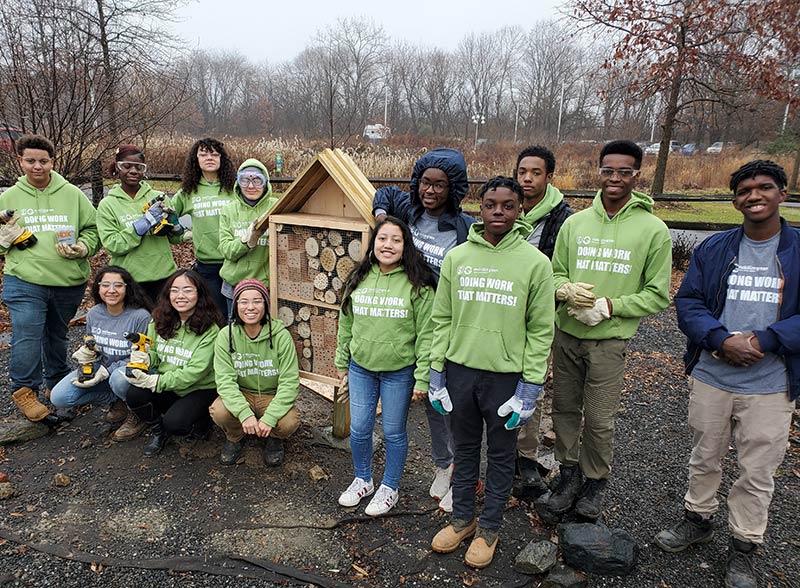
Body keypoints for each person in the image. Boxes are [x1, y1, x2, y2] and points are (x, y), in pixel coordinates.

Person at [655, 160, 799, 588]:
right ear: (735, 200)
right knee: (704, 455)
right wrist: (720, 339)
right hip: (713, 376)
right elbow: (689, 303)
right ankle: (697, 519)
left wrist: (766, 340)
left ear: (782, 193)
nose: (754, 196)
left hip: (771, 384)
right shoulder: (716, 248)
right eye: (744, 191)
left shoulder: (797, 250)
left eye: (764, 187)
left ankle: (744, 545)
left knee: (758, 469)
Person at [428, 177, 554, 568]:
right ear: (479, 208)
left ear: (519, 210)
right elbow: (442, 318)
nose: (498, 212)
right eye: (490, 205)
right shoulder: (457, 258)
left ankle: (490, 528)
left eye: (508, 205)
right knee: (464, 450)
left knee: (500, 455)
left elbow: (540, 330)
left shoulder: (535, 264)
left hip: (505, 378)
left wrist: (530, 387)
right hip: (460, 373)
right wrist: (436, 372)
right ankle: (463, 518)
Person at [548, 140, 672, 519]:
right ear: (599, 171)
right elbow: (555, 273)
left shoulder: (653, 230)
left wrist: (610, 307)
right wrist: (564, 290)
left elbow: (657, 294)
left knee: (600, 419)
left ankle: (594, 481)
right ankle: (568, 474)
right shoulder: (575, 224)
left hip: (609, 341)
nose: (614, 178)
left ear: (637, 174)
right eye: (608, 171)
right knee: (564, 410)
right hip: (567, 335)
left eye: (624, 172)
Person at [372, 147, 474, 512]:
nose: (430, 191)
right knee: (431, 402)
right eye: (425, 182)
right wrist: (381, 218)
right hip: (411, 323)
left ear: (454, 188)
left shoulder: (464, 228)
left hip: (446, 327)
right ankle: (443, 465)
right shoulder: (409, 211)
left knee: (450, 401)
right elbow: (385, 193)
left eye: (440, 185)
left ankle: (464, 473)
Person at [334, 217, 436, 517]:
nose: (388, 245)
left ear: (406, 246)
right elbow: (345, 323)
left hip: (399, 371)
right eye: (382, 239)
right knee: (360, 428)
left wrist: (422, 378)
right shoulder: (359, 278)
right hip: (360, 368)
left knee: (393, 432)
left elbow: (427, 335)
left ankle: (390, 487)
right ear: (373, 243)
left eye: (396, 240)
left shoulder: (418, 286)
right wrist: (341, 361)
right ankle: (363, 479)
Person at [0, 134, 99, 425]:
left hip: (67, 280)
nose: (37, 166)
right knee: (27, 333)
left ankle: (55, 382)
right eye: (30, 161)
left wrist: (83, 247)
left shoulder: (72, 194)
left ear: (52, 162)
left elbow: (93, 229)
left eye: (43, 161)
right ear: (20, 161)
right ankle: (24, 390)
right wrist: (4, 239)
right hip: (24, 279)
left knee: (56, 334)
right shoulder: (8, 198)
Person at [513, 145, 574, 499]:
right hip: (504, 309)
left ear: (549, 176)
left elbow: (561, 266)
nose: (527, 179)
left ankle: (526, 455)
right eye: (523, 172)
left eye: (536, 173)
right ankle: (501, 452)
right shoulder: (507, 205)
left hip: (539, 311)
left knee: (531, 382)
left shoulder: (562, 218)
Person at [123, 269, 223, 456]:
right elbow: (154, 351)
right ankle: (158, 430)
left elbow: (196, 371)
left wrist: (157, 382)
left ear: (200, 294)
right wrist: (146, 358)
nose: (180, 296)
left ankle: (202, 421)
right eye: (175, 290)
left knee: (176, 424)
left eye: (188, 290)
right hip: (169, 383)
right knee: (134, 394)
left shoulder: (210, 329)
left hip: (200, 387)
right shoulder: (159, 320)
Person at [49, 266, 152, 440]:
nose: (111, 290)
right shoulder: (94, 313)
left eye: (118, 285)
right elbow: (92, 344)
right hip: (103, 369)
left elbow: (144, 355)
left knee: (119, 379)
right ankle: (116, 400)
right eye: (105, 285)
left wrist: (108, 371)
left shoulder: (140, 316)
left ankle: (138, 412)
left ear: (127, 288)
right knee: (59, 397)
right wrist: (87, 355)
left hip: (131, 370)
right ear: (98, 288)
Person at [210, 278, 301, 467]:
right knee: (219, 411)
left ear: (265, 305)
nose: (250, 307)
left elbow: (289, 382)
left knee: (289, 421)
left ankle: (274, 438)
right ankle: (235, 437)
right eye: (244, 302)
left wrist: (270, 417)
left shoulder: (281, 336)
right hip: (242, 392)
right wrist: (244, 413)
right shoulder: (226, 336)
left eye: (257, 301)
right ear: (236, 306)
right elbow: (225, 381)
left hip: (271, 395)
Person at [96, 144, 182, 305]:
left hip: (164, 277)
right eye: (127, 166)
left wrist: (174, 226)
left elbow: (175, 240)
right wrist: (141, 225)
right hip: (129, 280)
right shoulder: (108, 204)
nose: (133, 171)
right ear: (117, 167)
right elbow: (113, 245)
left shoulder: (160, 198)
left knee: (162, 320)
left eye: (139, 167)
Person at [172, 138, 236, 315]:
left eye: (214, 154)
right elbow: (169, 216)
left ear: (222, 159)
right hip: (207, 266)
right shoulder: (188, 191)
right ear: (196, 159)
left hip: (234, 262)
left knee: (237, 313)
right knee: (216, 314)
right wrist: (181, 235)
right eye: (203, 154)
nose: (209, 158)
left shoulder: (234, 188)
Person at [218, 159, 278, 315]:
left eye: (257, 180)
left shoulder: (276, 207)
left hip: (267, 286)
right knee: (235, 326)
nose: (251, 186)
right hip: (234, 286)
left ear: (266, 183)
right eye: (244, 180)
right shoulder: (229, 210)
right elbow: (226, 250)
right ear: (238, 183)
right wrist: (246, 241)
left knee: (267, 326)